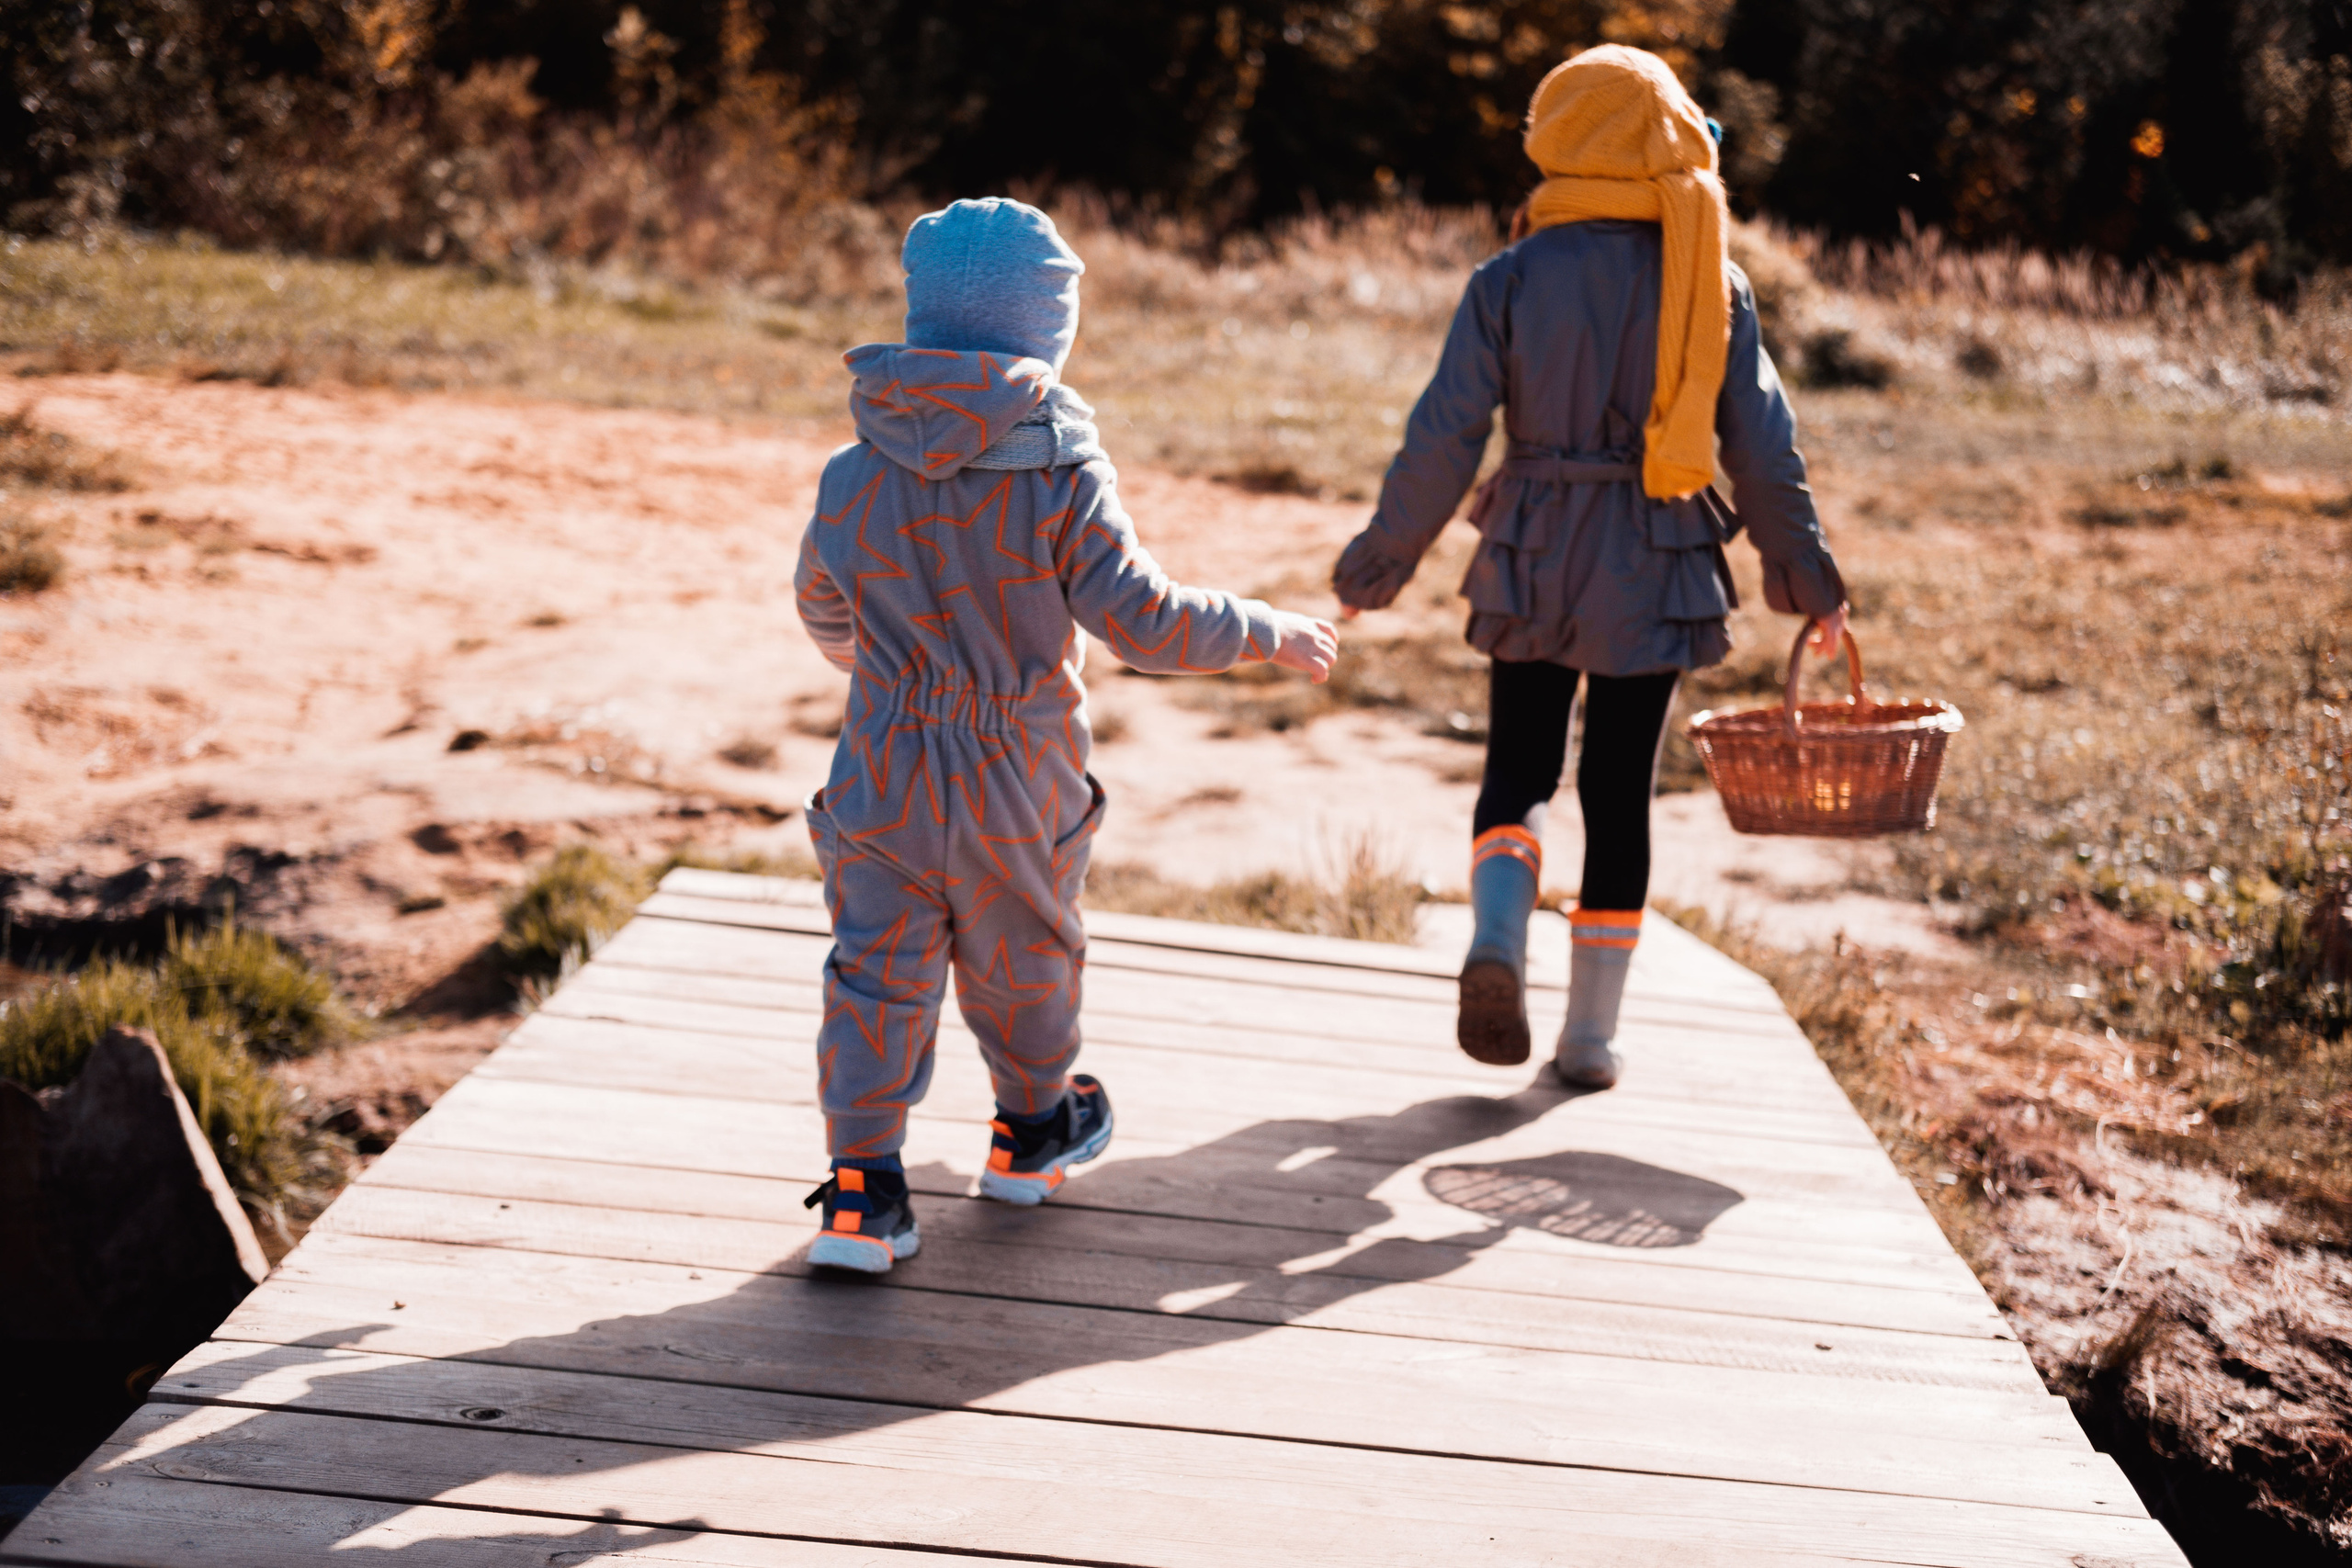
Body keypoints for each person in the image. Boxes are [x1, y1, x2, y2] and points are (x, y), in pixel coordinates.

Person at [794, 197, 1340, 1273]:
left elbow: (822, 604)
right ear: (1045, 332)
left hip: (883, 763)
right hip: (1014, 768)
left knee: (875, 971)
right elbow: (1142, 619)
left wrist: (881, 672)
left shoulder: (854, 470)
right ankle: (1031, 1129)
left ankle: (862, 1194)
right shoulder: (1058, 471)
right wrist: (1266, 630)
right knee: (1023, 952)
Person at [1331, 45, 1849, 1089]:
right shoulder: (1712, 279)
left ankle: (1495, 941)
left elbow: (1444, 435)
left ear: (1559, 140)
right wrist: (1805, 575)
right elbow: (1761, 444)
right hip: (1655, 552)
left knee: (1518, 769)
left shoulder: (1509, 278)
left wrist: (1381, 558)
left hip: (1531, 538)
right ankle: (1589, 1039)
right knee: (1619, 790)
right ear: (1665, 136)